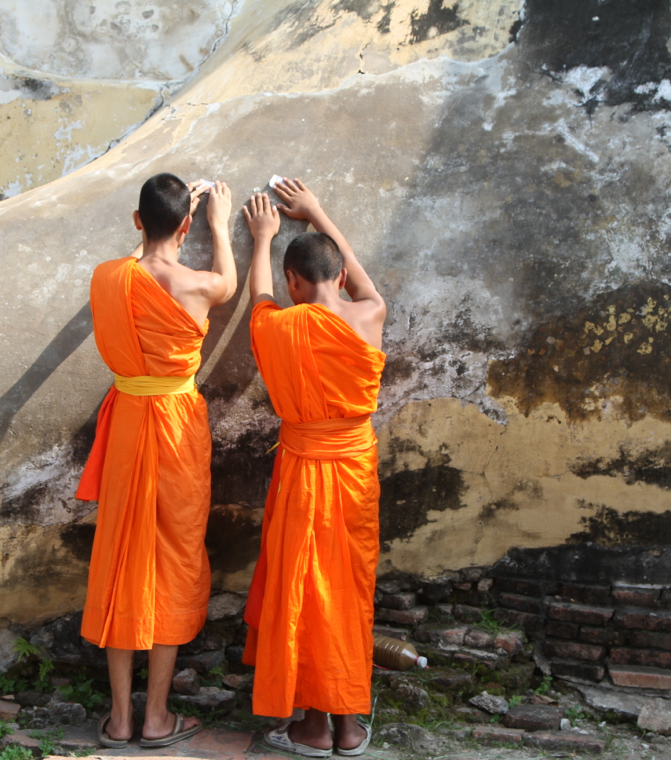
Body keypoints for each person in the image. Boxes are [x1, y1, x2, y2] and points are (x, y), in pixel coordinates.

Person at [75, 172, 235, 748]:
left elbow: (129, 267)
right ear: (186, 225)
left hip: (126, 428)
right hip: (176, 426)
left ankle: (119, 719)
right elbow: (230, 279)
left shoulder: (107, 276)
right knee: (173, 556)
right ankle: (157, 717)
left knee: (121, 557)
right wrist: (217, 223)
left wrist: (162, 219)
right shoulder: (199, 286)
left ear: (137, 220)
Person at [240, 178, 387, 758]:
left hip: (303, 471)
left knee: (302, 588)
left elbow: (256, 300)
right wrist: (318, 211)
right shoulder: (370, 314)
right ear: (342, 279)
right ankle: (348, 725)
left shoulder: (279, 325)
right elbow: (357, 277)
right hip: (354, 469)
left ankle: (311, 725)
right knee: (349, 591)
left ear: (293, 283)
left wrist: (261, 239)